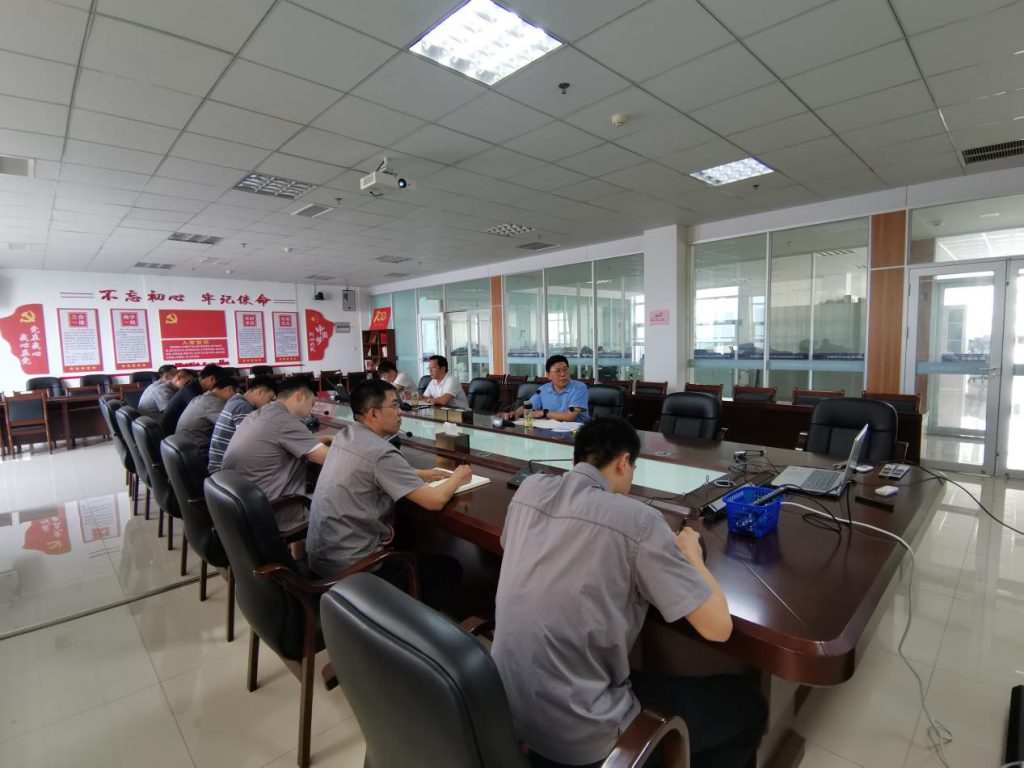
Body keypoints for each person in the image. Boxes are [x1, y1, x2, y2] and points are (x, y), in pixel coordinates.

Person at [492, 417, 765, 768]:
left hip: (506, 714)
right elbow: (718, 627)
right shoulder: (639, 520)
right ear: (623, 462)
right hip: (582, 739)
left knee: (642, 675)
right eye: (633, 468)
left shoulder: (528, 490)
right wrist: (692, 556)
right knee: (748, 706)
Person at [307, 379, 470, 609]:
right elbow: (434, 501)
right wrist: (458, 476)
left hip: (322, 559)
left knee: (408, 535)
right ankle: (412, 626)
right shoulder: (381, 452)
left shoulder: (346, 435)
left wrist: (418, 473)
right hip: (353, 569)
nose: (400, 411)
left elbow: (367, 466)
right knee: (448, 569)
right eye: (394, 405)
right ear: (373, 413)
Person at [221, 376, 332, 529]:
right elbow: (330, 458)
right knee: (332, 506)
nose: (310, 411)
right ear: (300, 396)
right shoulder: (285, 421)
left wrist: (326, 437)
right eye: (312, 403)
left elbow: (289, 441)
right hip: (272, 512)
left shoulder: (260, 413)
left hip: (242, 507)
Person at [207, 375, 276, 473]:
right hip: (223, 470)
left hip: (220, 465)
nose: (269, 404)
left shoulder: (236, 401)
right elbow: (249, 443)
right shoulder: (243, 407)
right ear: (260, 392)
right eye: (270, 398)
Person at [502, 354, 589, 423]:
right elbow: (527, 408)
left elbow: (570, 417)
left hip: (577, 431)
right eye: (558, 371)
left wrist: (545, 413)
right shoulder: (543, 390)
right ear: (549, 375)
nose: (563, 374)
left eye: (565, 370)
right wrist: (516, 413)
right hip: (550, 431)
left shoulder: (579, 388)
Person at [175, 376, 237, 460]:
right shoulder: (213, 402)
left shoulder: (202, 398)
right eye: (236, 393)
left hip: (185, 448)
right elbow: (230, 426)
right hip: (198, 452)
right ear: (229, 389)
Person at [162, 364, 222, 434]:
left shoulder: (194, 387)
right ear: (212, 379)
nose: (218, 388)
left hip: (178, 433)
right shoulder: (193, 391)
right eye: (219, 385)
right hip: (175, 434)